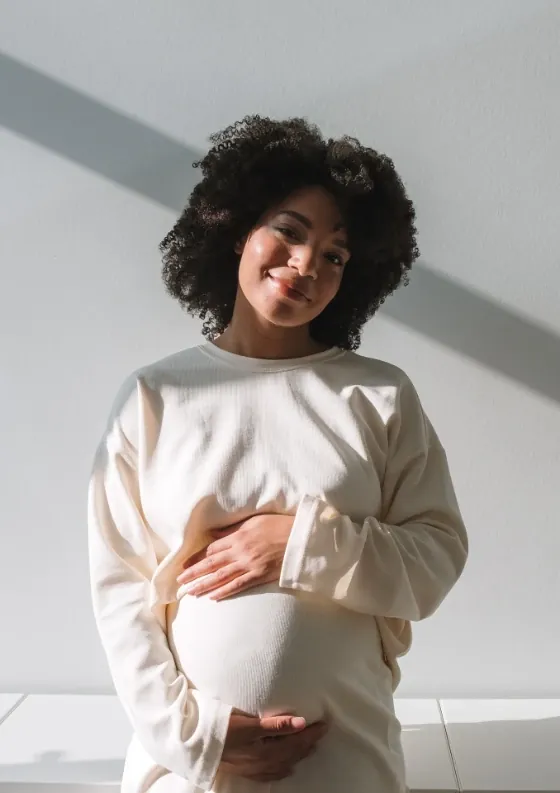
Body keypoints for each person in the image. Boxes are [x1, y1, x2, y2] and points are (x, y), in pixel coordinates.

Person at [88, 115, 468, 793]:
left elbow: (435, 557)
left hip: (347, 765)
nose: (305, 266)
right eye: (289, 232)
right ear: (237, 228)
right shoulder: (156, 395)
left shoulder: (378, 395)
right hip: (189, 774)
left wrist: (300, 543)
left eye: (335, 256)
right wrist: (193, 737)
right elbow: (121, 591)